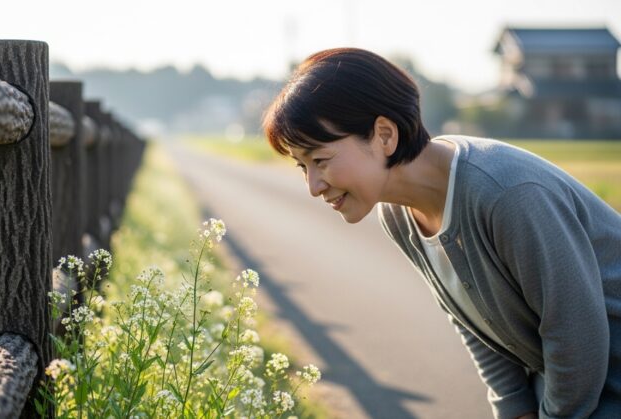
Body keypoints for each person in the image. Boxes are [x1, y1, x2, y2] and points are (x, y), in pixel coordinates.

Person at [262, 47, 621, 418]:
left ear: (384, 135)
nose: (314, 186)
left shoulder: (506, 195)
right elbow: (474, 319)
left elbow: (577, 336)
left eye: (320, 160)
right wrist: (515, 407)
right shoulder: (398, 214)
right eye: (302, 166)